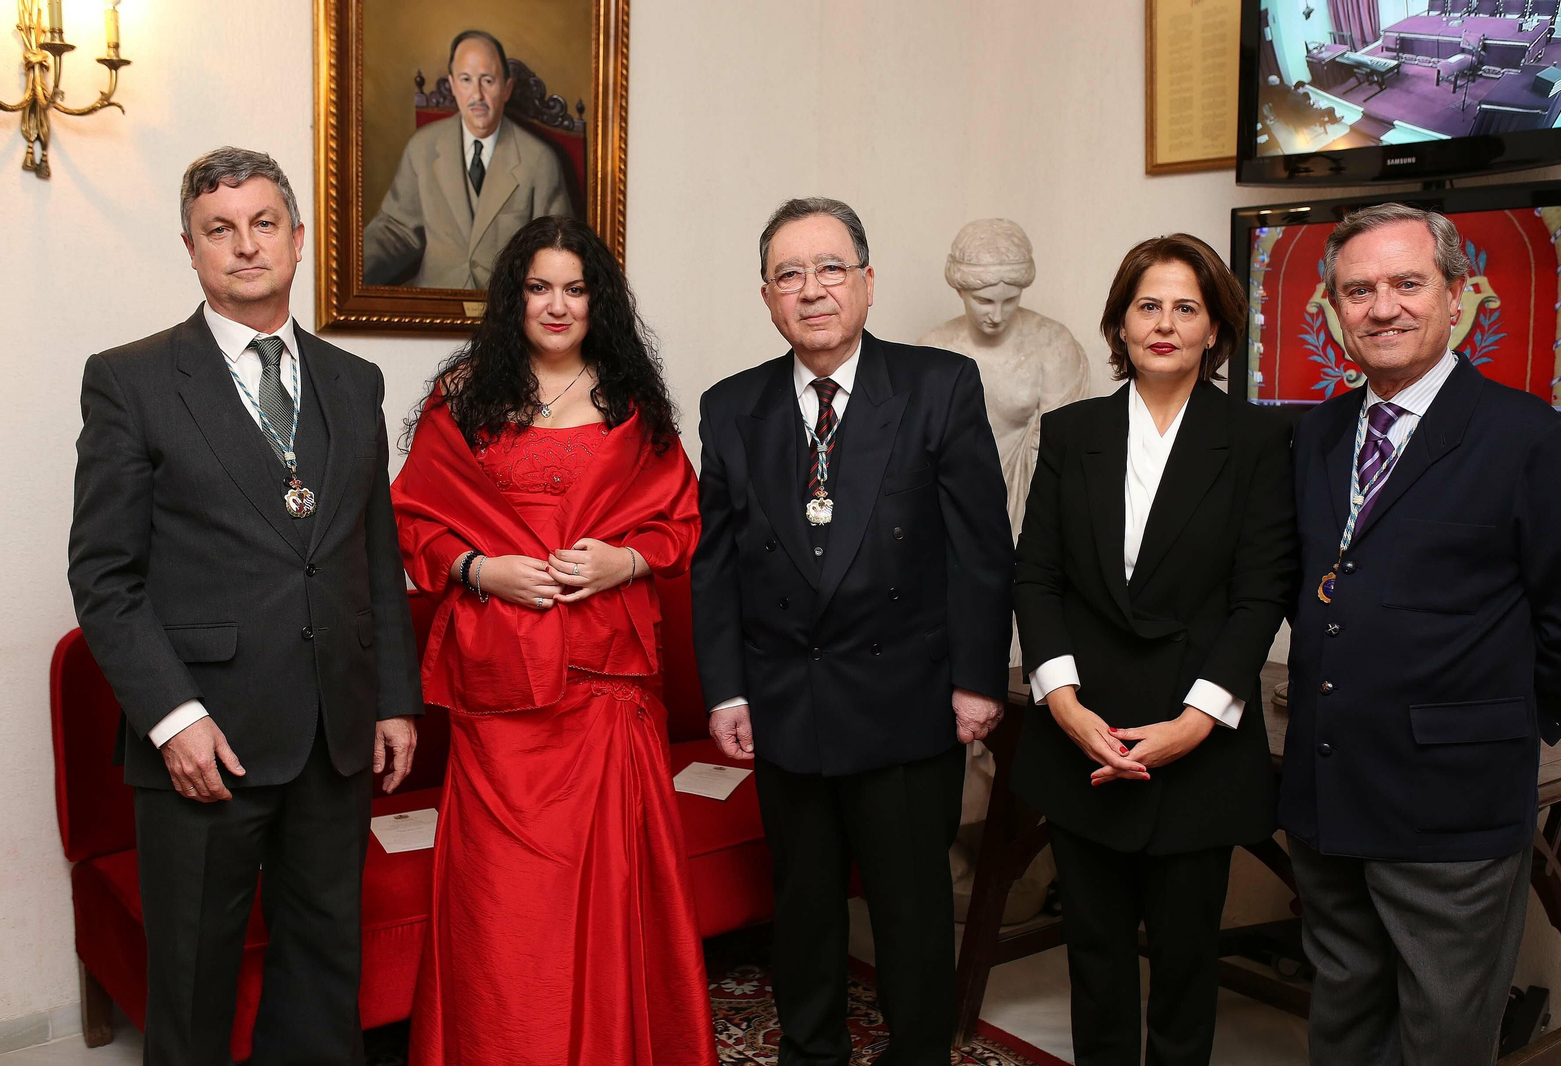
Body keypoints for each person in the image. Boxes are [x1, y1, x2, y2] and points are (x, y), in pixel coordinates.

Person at [67, 146, 422, 1065]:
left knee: (320, 971)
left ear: (298, 240)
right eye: (219, 230)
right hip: (204, 743)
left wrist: (391, 696)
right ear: (190, 249)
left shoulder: (354, 381)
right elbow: (104, 577)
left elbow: (372, 553)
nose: (245, 244)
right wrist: (172, 720)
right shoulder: (131, 379)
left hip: (334, 734)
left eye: (264, 223)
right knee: (189, 986)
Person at [691, 196, 1013, 1064]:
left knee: (910, 911)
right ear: (766, 297)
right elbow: (713, 562)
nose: (812, 290)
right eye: (789, 275)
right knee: (802, 907)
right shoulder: (730, 409)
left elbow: (982, 550)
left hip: (907, 698)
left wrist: (980, 680)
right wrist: (724, 688)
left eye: (831, 269)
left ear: (867, 283)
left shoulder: (938, 386)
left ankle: (917, 1054)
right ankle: (811, 1051)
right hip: (787, 698)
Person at [1279, 203, 1561, 1065]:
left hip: (1454, 802)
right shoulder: (1317, 434)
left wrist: (1508, 727)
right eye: (1358, 290)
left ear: (1457, 296)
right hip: (1326, 788)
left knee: (1444, 1034)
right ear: (1335, 309)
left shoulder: (1533, 438)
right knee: (1342, 1016)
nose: (1382, 307)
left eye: (1407, 283)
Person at [390, 215, 713, 1065]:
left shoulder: (631, 405)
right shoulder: (463, 395)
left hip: (605, 686)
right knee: (502, 905)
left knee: (605, 895)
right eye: (540, 287)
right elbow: (411, 521)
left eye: (575, 287)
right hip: (498, 693)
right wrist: (478, 572)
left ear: (597, 301)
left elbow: (683, 523)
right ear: (514, 298)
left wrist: (625, 561)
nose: (558, 304)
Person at [1011, 233, 1297, 1066]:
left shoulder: (1256, 442)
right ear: (1120, 325)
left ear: (1216, 330)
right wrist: (1063, 704)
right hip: (1082, 735)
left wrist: (1196, 722)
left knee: (1184, 966)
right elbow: (1038, 579)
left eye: (1186, 307)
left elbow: (1259, 596)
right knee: (1094, 960)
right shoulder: (1071, 434)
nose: (1165, 323)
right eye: (1148, 305)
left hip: (1196, 740)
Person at [363, 30, 573, 288]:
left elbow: (558, 250)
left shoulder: (540, 161)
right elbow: (396, 231)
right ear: (452, 85)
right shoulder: (422, 147)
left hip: (505, 315)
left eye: (487, 81)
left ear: (507, 88)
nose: (477, 95)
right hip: (430, 310)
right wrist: (347, 278)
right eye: (466, 79)